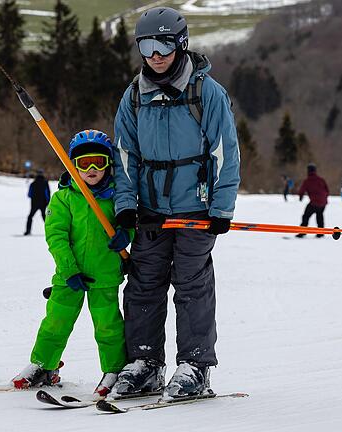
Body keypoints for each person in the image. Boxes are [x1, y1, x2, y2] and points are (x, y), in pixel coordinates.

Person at [109, 7, 240, 400]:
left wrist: (221, 209)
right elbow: (125, 156)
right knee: (143, 285)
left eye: (164, 44)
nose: (156, 54)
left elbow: (224, 154)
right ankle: (146, 362)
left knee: (192, 285)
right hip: (150, 211)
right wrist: (126, 205)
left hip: (195, 209)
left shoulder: (207, 92)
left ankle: (195, 365)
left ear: (181, 43)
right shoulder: (134, 96)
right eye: (147, 45)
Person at [12, 130, 129, 397]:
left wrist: (126, 233)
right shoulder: (64, 198)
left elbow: (129, 224)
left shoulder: (116, 197)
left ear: (108, 164)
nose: (91, 169)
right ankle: (43, 364)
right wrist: (69, 269)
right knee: (55, 321)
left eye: (98, 162)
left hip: (105, 275)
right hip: (69, 276)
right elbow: (56, 236)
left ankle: (114, 369)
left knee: (108, 326)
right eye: (83, 163)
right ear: (72, 165)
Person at [296, 163, 330, 238]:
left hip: (314, 202)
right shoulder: (321, 179)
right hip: (323, 202)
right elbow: (327, 190)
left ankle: (302, 231)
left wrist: (300, 197)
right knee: (319, 215)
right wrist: (324, 198)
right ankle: (320, 232)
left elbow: (301, 191)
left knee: (306, 216)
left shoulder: (307, 181)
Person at [24, 170, 50, 235]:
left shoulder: (33, 184)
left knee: (30, 217)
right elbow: (47, 194)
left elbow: (29, 194)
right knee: (44, 217)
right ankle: (50, 231)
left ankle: (28, 231)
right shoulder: (45, 183)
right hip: (43, 203)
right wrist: (48, 202)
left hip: (34, 203)